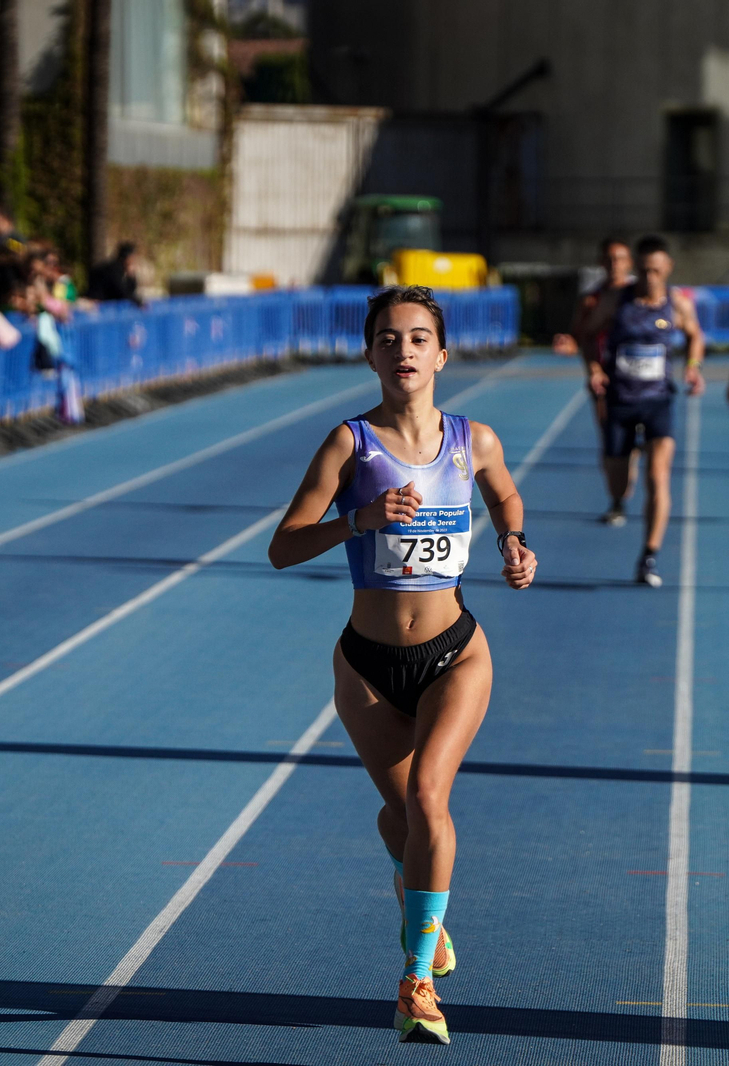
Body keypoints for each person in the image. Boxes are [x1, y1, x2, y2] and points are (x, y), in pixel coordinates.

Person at [267, 285, 537, 1045]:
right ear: (370, 354)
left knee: (427, 798)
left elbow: (506, 492)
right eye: (388, 338)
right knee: (403, 816)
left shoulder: (472, 439)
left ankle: (417, 983)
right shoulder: (350, 445)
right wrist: (358, 519)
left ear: (442, 355)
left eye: (419, 338)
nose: (404, 349)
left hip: (455, 653)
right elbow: (283, 547)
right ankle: (423, 904)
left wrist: (514, 542)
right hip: (366, 666)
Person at [582, 235, 705, 585]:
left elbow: (695, 334)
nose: (650, 277)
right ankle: (623, 477)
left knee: (658, 477)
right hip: (620, 400)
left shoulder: (676, 304)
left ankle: (649, 555)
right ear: (636, 269)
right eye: (644, 270)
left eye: (656, 270)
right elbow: (588, 334)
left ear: (667, 269)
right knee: (619, 486)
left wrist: (693, 366)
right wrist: (594, 368)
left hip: (658, 400)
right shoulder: (615, 300)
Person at [572, 236, 638, 524]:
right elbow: (581, 336)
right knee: (612, 443)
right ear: (601, 264)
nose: (615, 265)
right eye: (609, 260)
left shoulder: (640, 296)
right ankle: (617, 499)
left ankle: (624, 484)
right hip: (606, 382)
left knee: (633, 446)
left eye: (621, 259)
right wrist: (593, 369)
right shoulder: (592, 299)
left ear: (629, 263)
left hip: (639, 382)